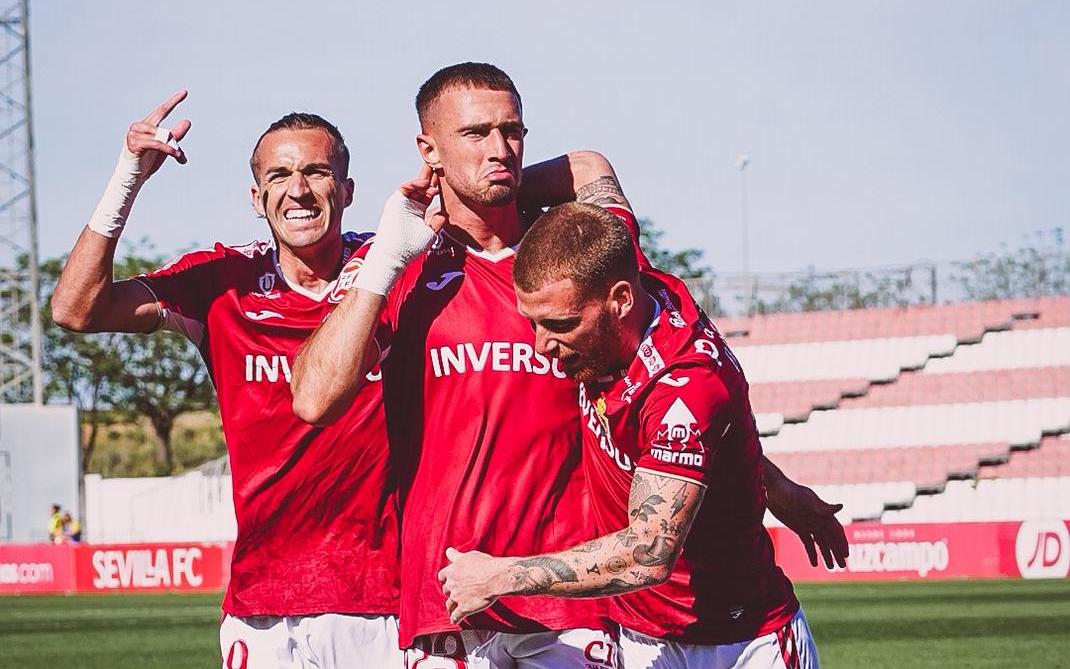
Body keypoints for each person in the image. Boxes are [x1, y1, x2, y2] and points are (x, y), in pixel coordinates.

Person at [292, 62, 845, 667]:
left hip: (574, 611)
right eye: (476, 135)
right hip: (446, 596)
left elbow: (591, 167)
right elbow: (314, 400)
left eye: (513, 132)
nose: (501, 150)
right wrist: (387, 258)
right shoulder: (399, 265)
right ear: (429, 150)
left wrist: (774, 485)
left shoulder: (583, 255)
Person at [50, 92, 404, 668]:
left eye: (318, 171)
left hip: (385, 601)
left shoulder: (396, 269)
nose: (300, 190)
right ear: (256, 196)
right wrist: (127, 179)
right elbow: (75, 310)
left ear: (347, 190)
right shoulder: (221, 282)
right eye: (280, 174)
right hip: (262, 606)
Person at [440, 202, 819, 668]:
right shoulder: (619, 266)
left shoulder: (686, 386)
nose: (541, 345)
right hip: (642, 639)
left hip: (742, 644)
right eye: (532, 322)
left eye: (560, 325)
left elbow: (648, 553)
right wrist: (462, 198)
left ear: (619, 301)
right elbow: (590, 164)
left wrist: (498, 575)